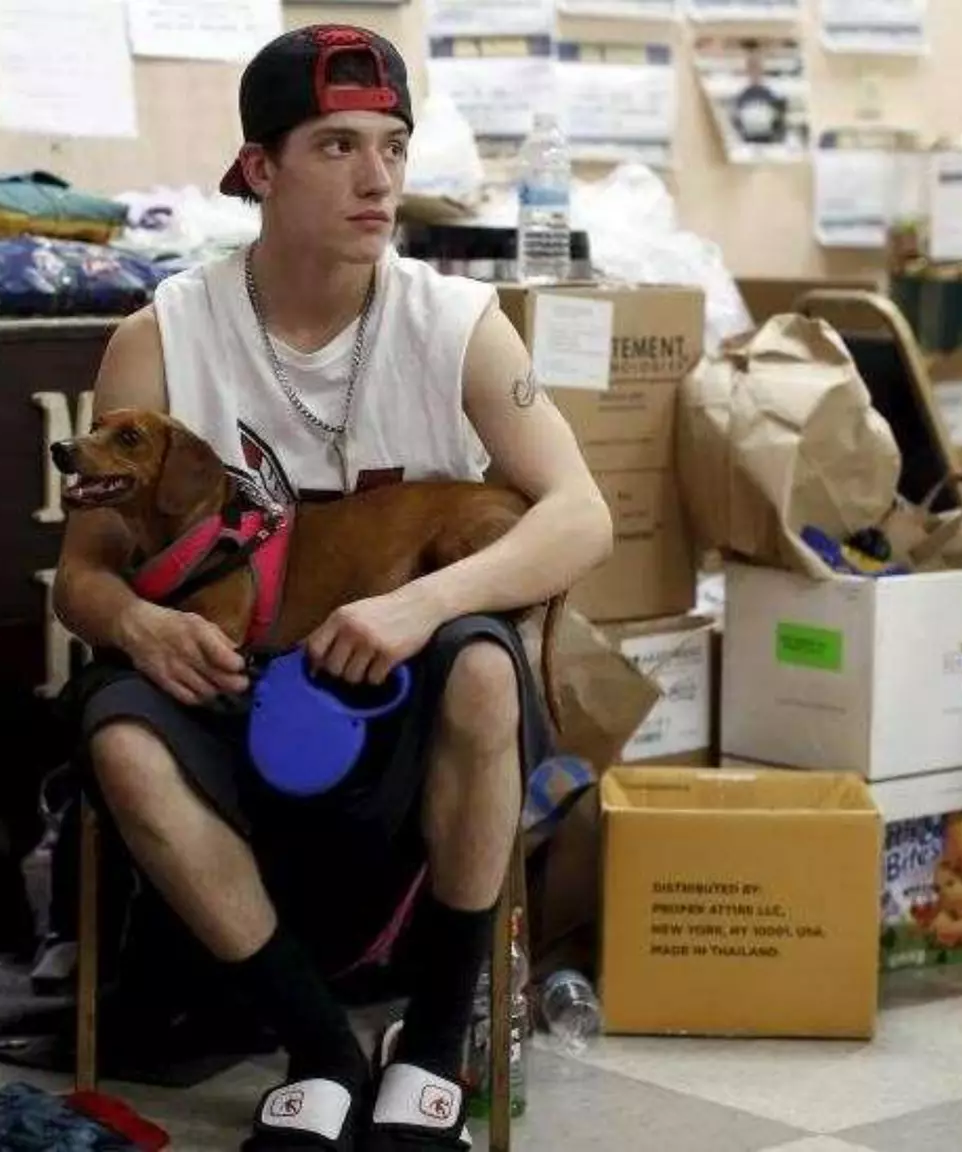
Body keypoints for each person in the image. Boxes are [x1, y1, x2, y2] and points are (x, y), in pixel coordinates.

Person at [52, 24, 612, 1152]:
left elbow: (581, 514)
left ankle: (433, 1046)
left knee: (480, 672)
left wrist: (420, 605)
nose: (377, 179)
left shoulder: (454, 323)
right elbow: (81, 575)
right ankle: (317, 1049)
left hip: (404, 671)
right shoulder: (160, 335)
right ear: (259, 168)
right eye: (336, 146)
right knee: (117, 739)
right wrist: (137, 622)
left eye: (392, 147)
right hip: (233, 676)